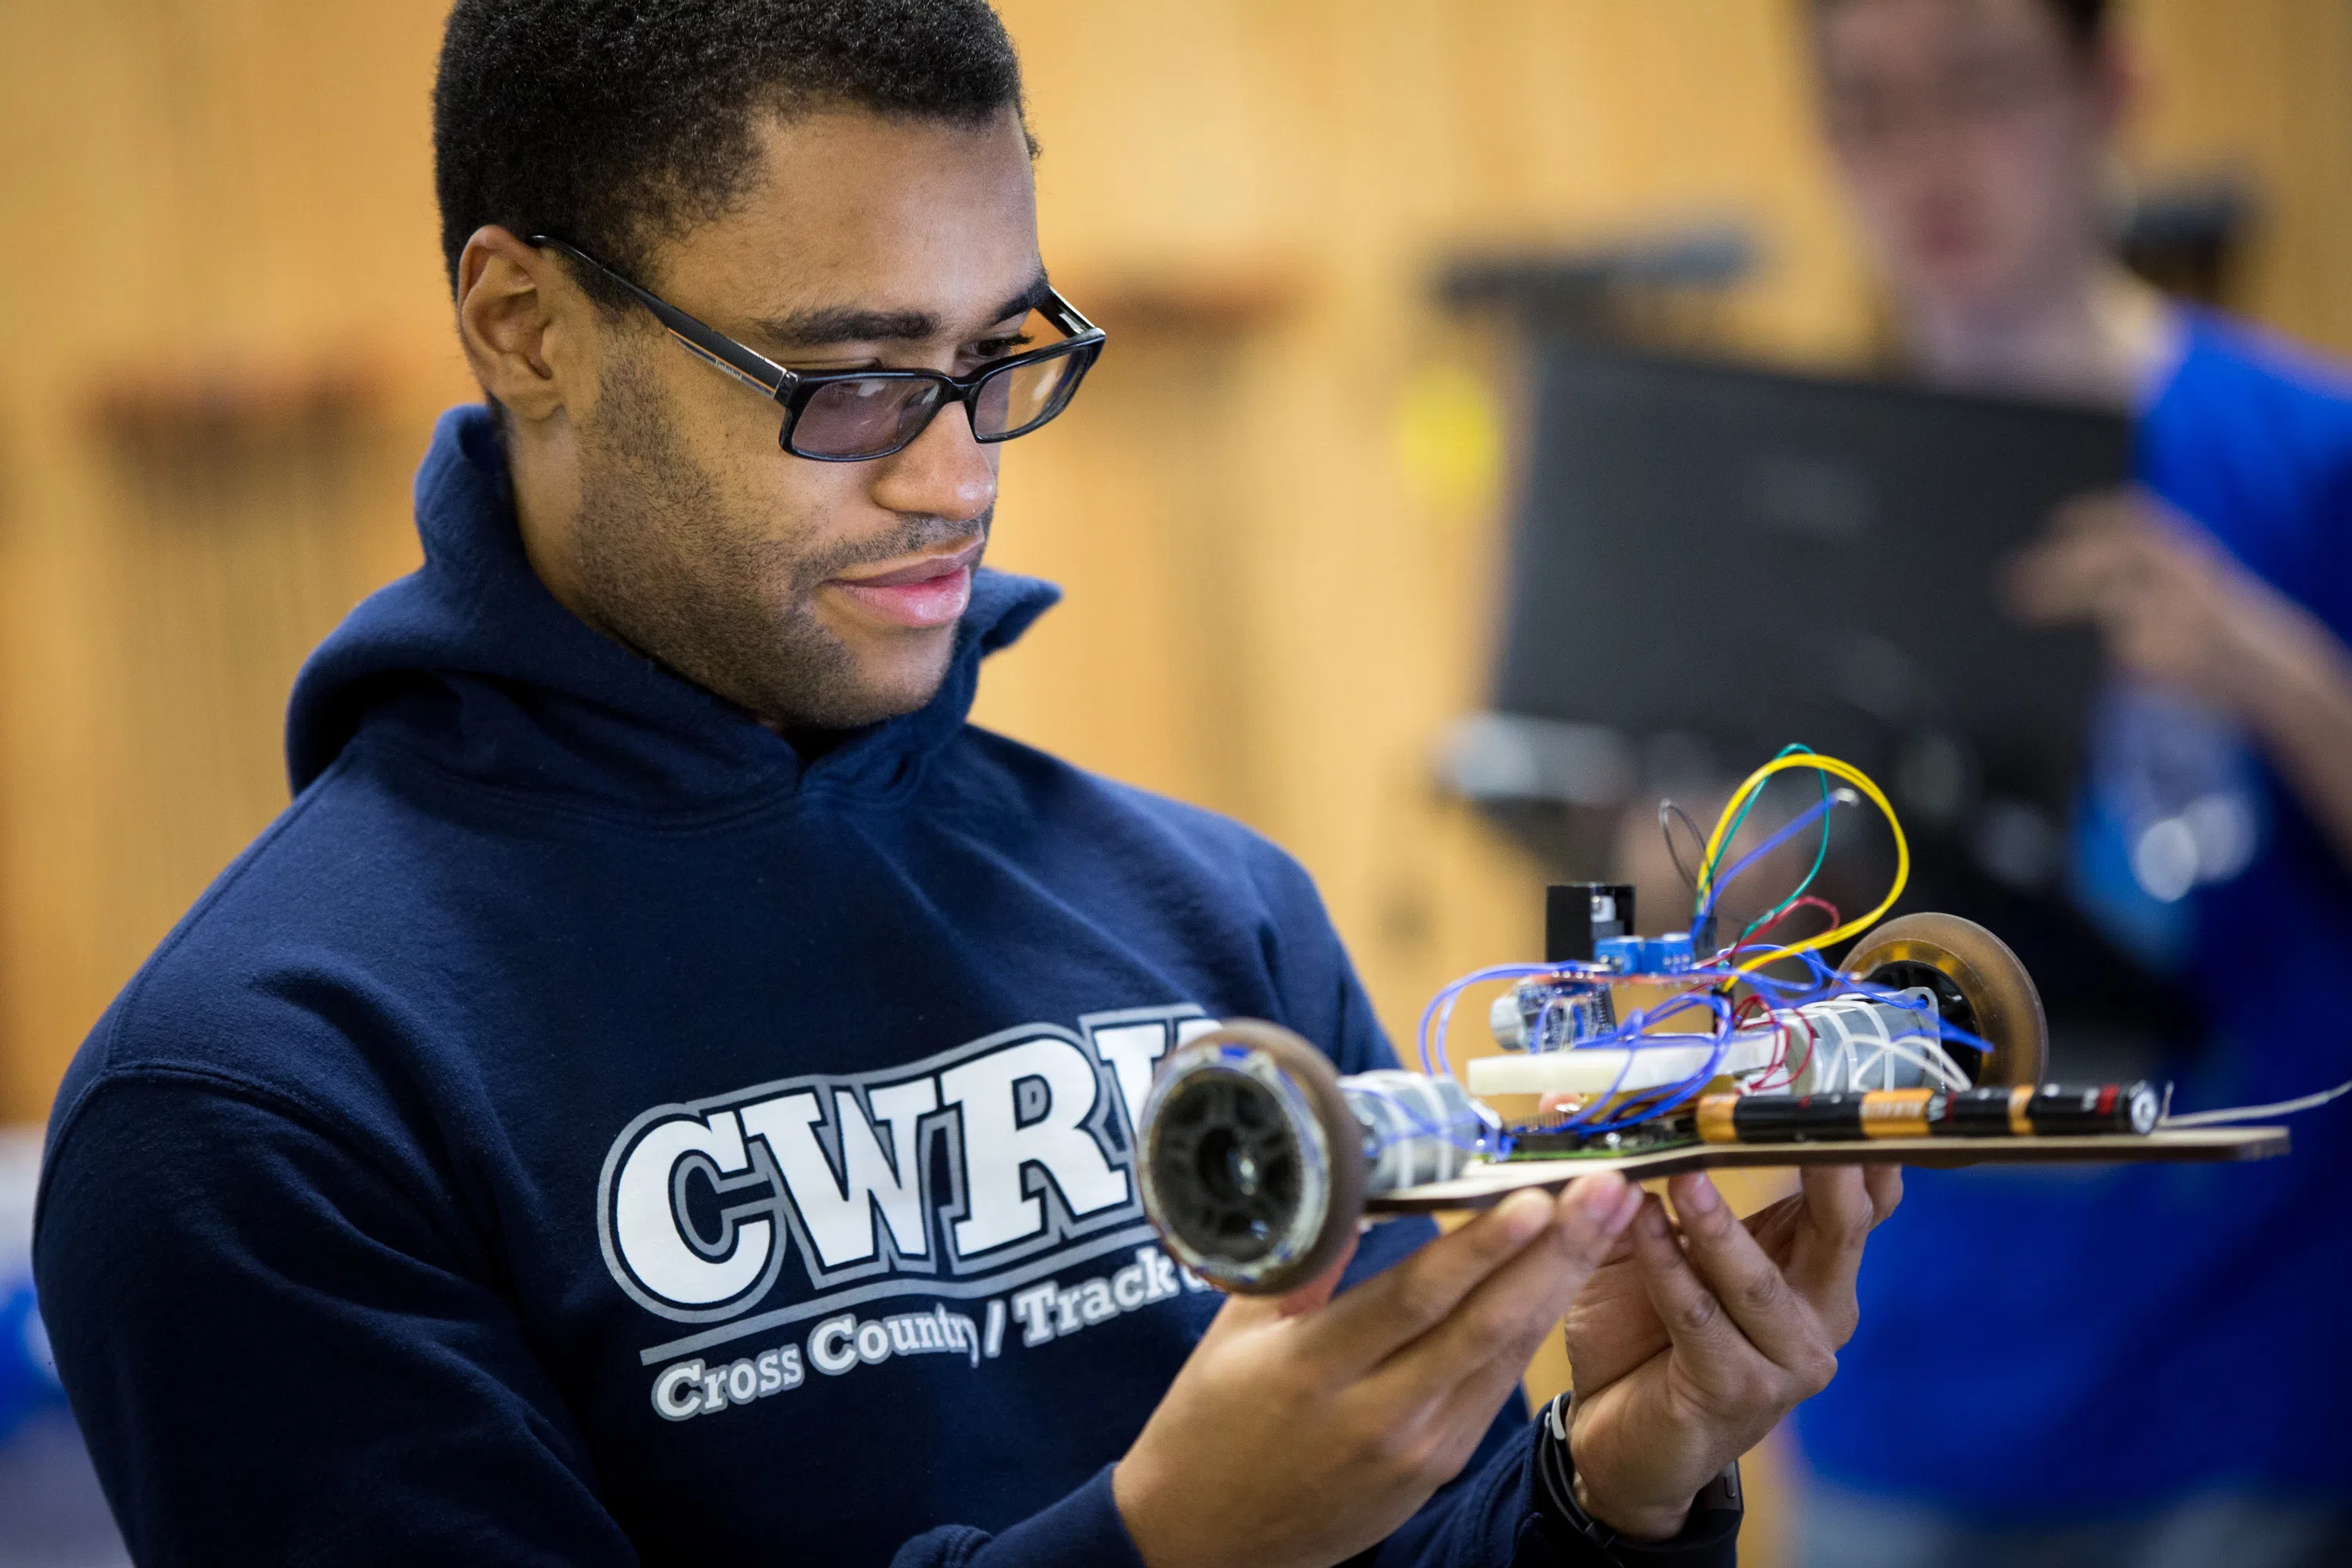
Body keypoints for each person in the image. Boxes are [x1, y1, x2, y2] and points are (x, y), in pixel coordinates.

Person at [31, 3, 1902, 1563]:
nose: (957, 478)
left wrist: (1619, 1479)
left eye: (993, 352)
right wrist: (1157, 1548)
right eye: (847, 380)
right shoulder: (254, 1103)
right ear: (526, 324)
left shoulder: (1209, 910)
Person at [1793, 1, 2352, 1563]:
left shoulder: (2307, 456)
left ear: (2115, 88)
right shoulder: (1790, 493)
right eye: (1871, 111)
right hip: (1894, 1388)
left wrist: (2259, 664)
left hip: (2250, 1397)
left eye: (1978, 87)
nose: (1930, 162)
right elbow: (1701, 941)